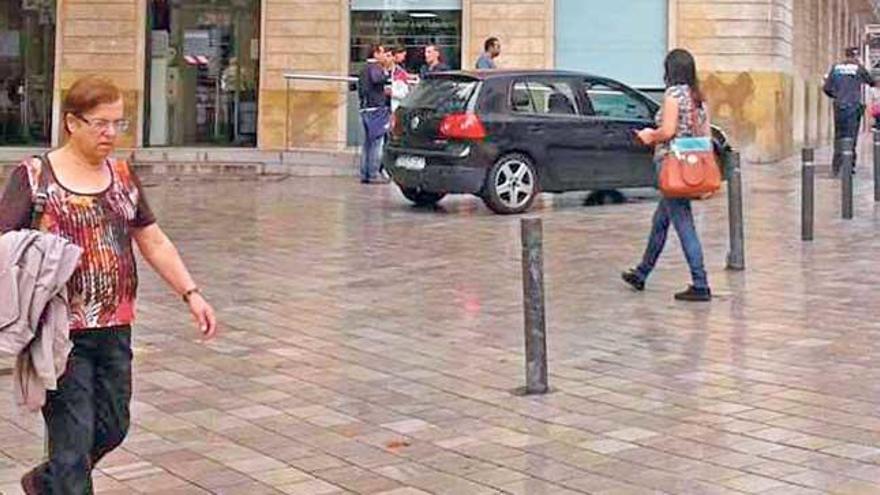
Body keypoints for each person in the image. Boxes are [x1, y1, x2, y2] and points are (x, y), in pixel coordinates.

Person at [0, 75, 217, 494]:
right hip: (59, 331)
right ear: (71, 123)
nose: (110, 133)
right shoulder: (34, 176)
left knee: (113, 426)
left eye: (118, 122)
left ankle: (45, 483)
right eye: (100, 123)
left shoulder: (121, 176)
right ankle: (62, 480)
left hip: (115, 325)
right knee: (72, 442)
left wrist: (192, 294)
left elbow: (152, 239)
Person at [621, 49, 712, 302]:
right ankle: (641, 272)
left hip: (671, 165)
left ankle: (700, 282)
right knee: (661, 221)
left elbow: (668, 130)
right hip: (691, 167)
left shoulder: (673, 95)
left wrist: (650, 135)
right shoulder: (698, 97)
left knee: (683, 222)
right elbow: (705, 135)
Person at [824, 47, 875, 175]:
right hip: (853, 106)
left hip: (839, 106)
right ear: (856, 56)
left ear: (845, 55)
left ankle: (836, 166)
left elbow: (826, 88)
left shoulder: (835, 68)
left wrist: (836, 96)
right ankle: (849, 165)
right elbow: (871, 82)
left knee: (839, 136)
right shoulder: (858, 68)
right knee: (851, 136)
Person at [358, 44, 392, 184]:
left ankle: (365, 174)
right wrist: (387, 72)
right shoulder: (374, 67)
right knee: (377, 143)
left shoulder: (364, 68)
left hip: (365, 108)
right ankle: (373, 174)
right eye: (383, 53)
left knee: (367, 144)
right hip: (376, 109)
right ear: (376, 53)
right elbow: (377, 79)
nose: (385, 56)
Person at [390, 46, 413, 113]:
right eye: (403, 55)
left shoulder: (399, 67)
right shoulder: (393, 68)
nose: (404, 58)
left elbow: (405, 75)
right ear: (397, 54)